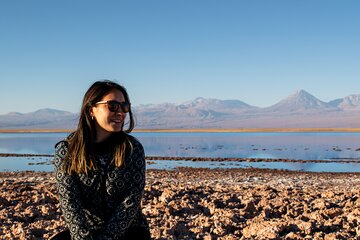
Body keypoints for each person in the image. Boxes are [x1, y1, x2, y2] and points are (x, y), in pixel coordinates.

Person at [51, 80, 150, 240]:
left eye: (124, 106)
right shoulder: (67, 150)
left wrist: (107, 237)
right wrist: (83, 237)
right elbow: (69, 202)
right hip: (86, 231)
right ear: (91, 110)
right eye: (112, 106)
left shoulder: (132, 148)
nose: (121, 113)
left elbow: (131, 200)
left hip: (129, 230)